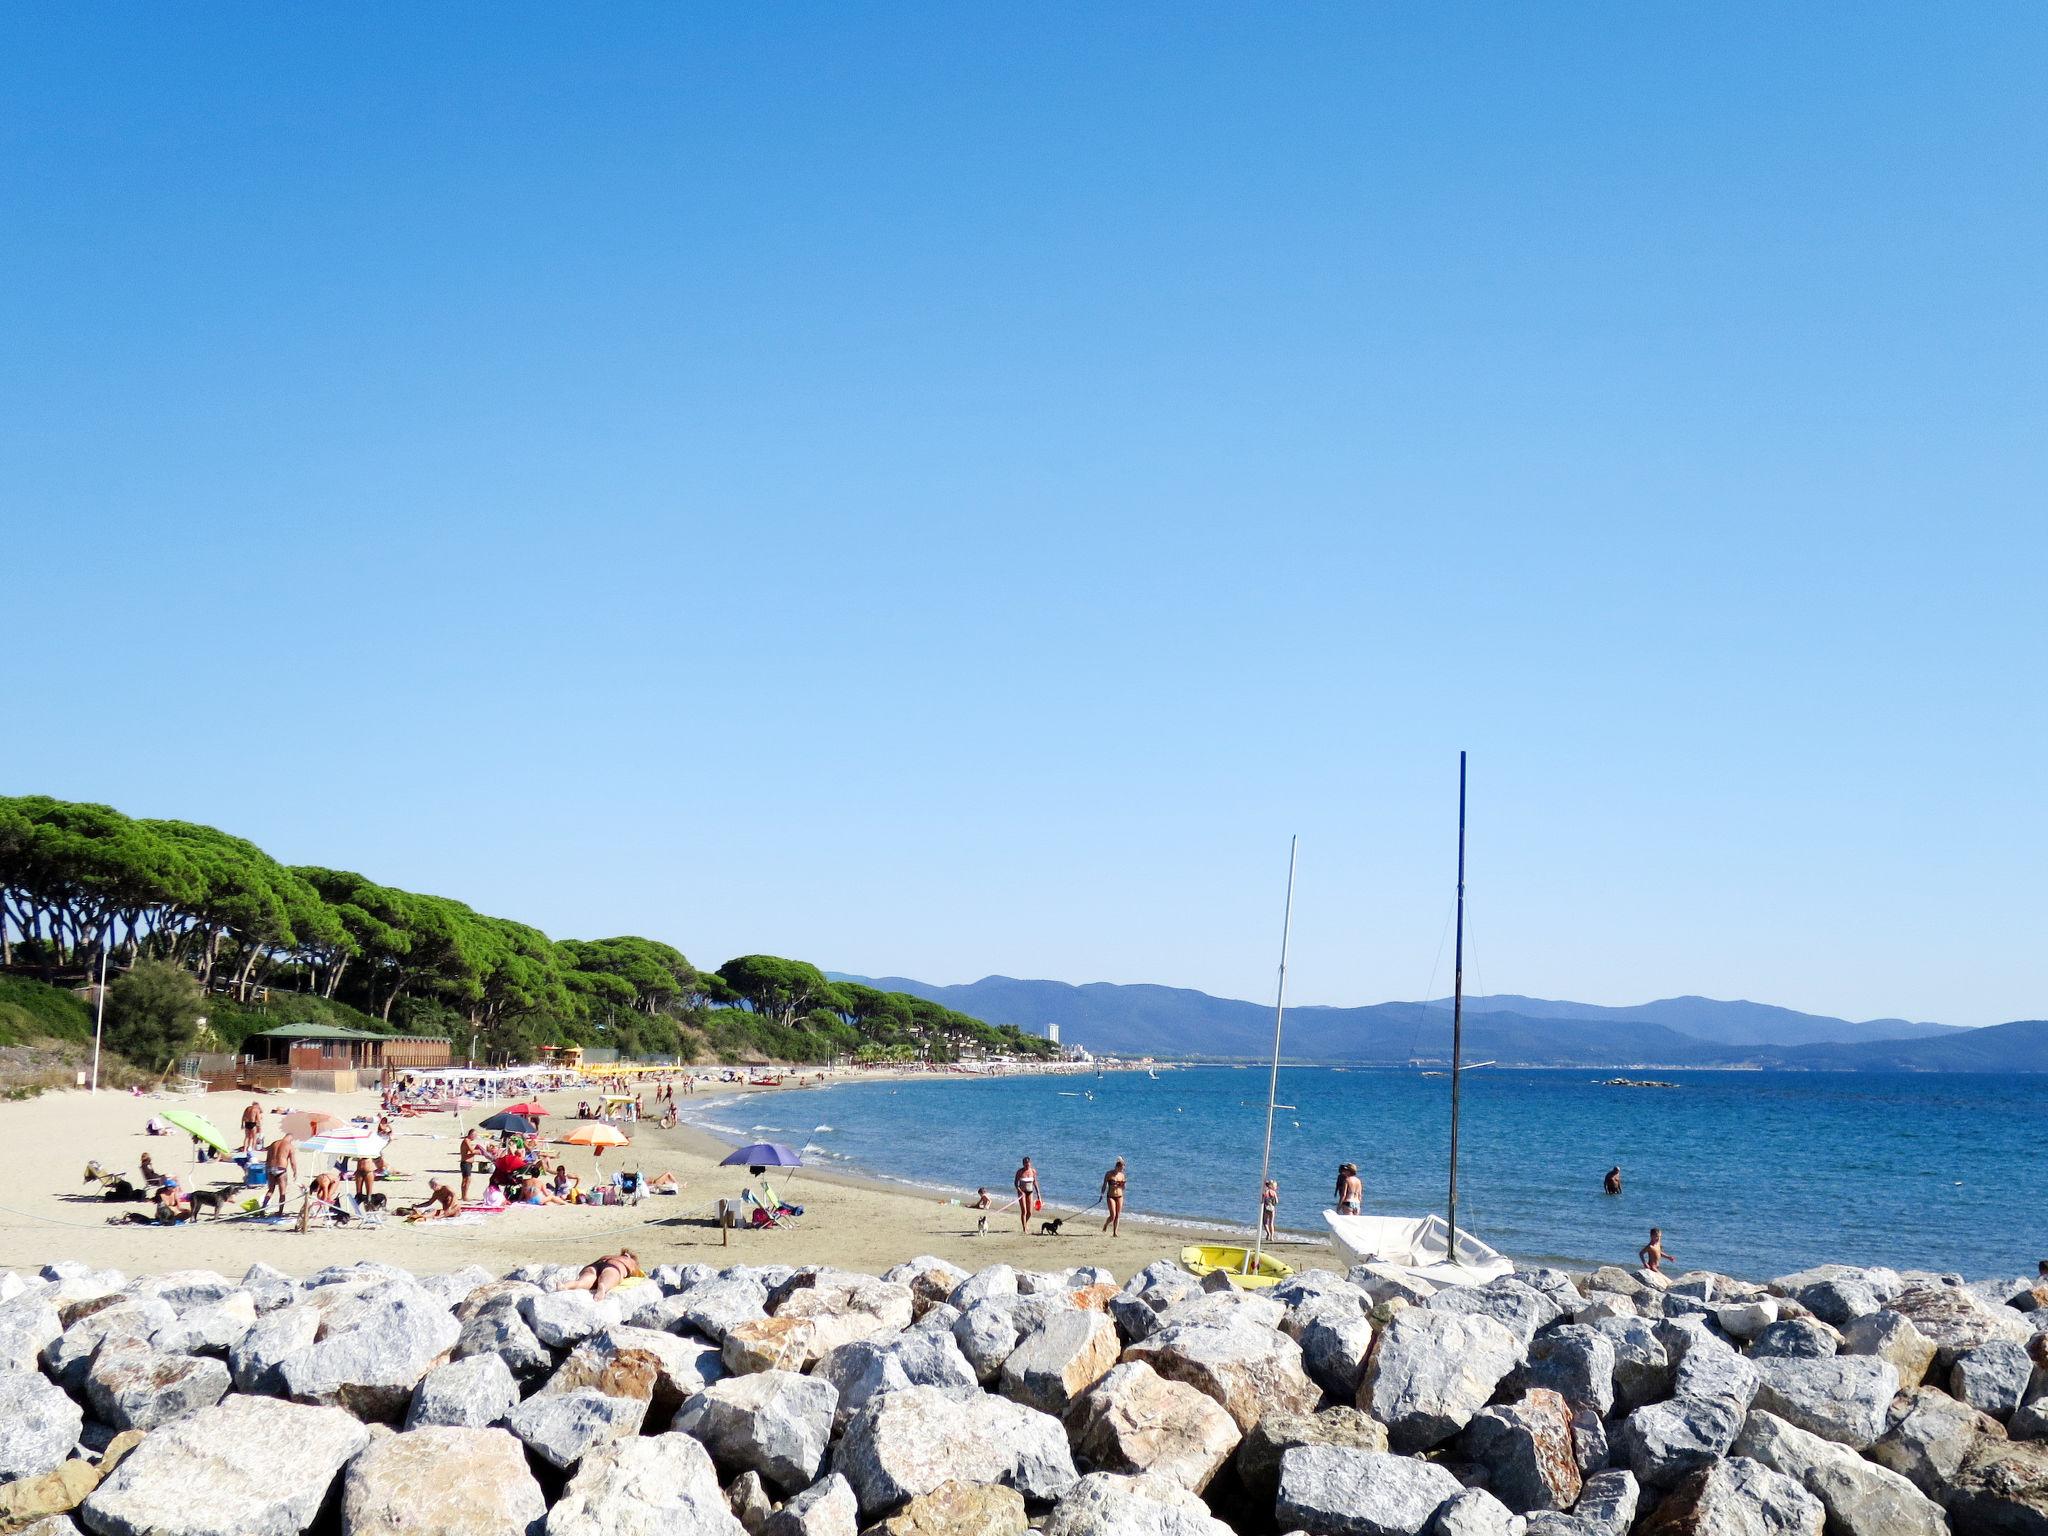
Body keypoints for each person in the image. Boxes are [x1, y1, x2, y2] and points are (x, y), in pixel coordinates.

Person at [558, 1249, 643, 1300]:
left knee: (582, 1281)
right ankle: (603, 1287)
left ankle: (566, 1285)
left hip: (593, 1266)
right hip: (614, 1267)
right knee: (610, 1277)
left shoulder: (608, 1256)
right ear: (628, 1256)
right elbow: (638, 1274)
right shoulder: (631, 1262)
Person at [263, 1132, 299, 1216]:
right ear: (291, 1140)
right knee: (282, 1192)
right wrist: (295, 1172)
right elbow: (292, 1162)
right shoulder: (290, 1146)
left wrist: (267, 1169)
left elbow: (268, 1158)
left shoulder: (274, 1144)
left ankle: (263, 1208)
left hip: (271, 1168)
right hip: (281, 1169)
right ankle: (280, 1211)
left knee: (271, 1190)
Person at [1100, 1157, 1127, 1237]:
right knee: (1113, 1215)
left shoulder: (1122, 1175)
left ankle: (1115, 1232)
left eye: (1123, 1169)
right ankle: (1106, 1224)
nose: (1122, 1170)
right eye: (1121, 1168)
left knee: (1118, 1215)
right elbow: (1104, 1185)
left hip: (1120, 1196)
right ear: (1117, 1167)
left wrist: (1122, 1184)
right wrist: (1101, 1194)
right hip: (1110, 1196)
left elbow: (1123, 1188)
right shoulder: (1108, 1174)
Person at [1014, 1156, 1040, 1235]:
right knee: (1024, 1211)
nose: (1027, 1166)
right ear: (1023, 1164)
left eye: (1028, 1164)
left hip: (1030, 1192)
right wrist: (1019, 1191)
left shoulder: (1033, 1171)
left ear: (1030, 1163)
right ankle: (1024, 1228)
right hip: (1022, 1192)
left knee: (1030, 1212)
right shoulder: (1019, 1172)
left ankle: (1025, 1223)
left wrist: (1038, 1194)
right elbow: (1015, 1183)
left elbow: (1035, 1182)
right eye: (1025, 1164)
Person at [459, 1127, 484, 1203]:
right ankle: (464, 1196)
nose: (475, 1137)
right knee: (467, 1179)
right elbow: (472, 1151)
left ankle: (464, 1196)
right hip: (465, 1163)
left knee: (466, 1180)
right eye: (475, 1135)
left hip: (468, 1163)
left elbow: (469, 1152)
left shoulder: (469, 1141)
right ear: (471, 1134)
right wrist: (480, 1151)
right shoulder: (466, 1140)